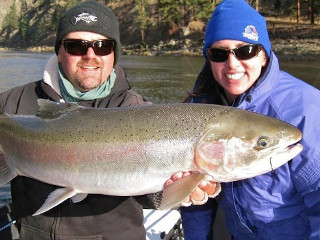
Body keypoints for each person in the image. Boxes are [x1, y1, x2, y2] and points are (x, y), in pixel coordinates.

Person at [0, 1, 218, 239]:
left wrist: (175, 190)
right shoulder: (12, 103)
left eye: (102, 46)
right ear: (59, 51)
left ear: (114, 54)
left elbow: (148, 191)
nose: (90, 55)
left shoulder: (133, 109)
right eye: (76, 46)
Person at [179, 0, 320, 239]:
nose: (232, 64)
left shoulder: (307, 109)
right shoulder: (200, 107)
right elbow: (196, 206)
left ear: (264, 55)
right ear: (209, 59)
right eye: (219, 54)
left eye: (246, 51)